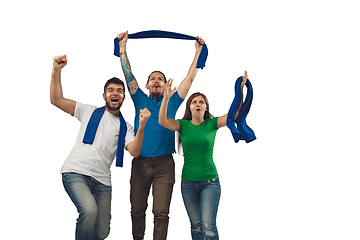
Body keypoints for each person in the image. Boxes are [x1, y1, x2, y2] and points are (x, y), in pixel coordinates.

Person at [50, 54, 151, 240]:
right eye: (111, 90)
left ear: (123, 97)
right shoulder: (87, 111)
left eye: (120, 91)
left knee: (102, 231)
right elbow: (56, 99)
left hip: (102, 181)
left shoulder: (126, 127)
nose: (115, 93)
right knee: (89, 211)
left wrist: (142, 125)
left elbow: (135, 151)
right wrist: (56, 70)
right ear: (104, 95)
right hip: (76, 172)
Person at [116, 31, 205, 240]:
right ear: (146, 85)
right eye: (153, 79)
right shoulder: (139, 99)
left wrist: (198, 54)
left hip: (165, 163)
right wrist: (123, 49)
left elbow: (190, 78)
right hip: (140, 162)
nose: (156, 80)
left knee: (161, 213)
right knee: (137, 211)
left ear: (165, 84)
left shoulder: (172, 100)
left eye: (160, 79)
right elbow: (128, 74)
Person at [158, 71, 248, 240]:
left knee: (209, 227)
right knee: (196, 227)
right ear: (189, 107)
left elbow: (235, 114)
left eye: (201, 102)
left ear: (206, 107)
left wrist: (240, 91)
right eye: (194, 102)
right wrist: (166, 97)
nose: (197, 104)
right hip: (188, 184)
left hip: (210, 183)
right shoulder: (182, 125)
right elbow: (162, 121)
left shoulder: (212, 124)